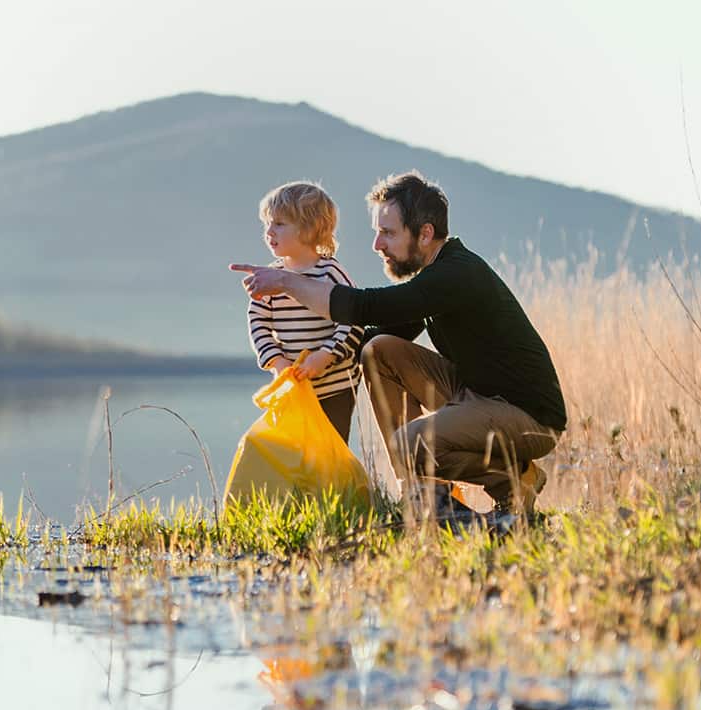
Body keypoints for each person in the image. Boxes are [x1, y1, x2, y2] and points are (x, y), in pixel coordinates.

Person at [231, 170, 566, 517]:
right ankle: (423, 496)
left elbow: (363, 307)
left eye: (388, 233)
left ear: (425, 234)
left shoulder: (455, 275)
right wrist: (325, 355)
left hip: (527, 418)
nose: (377, 245)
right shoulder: (434, 278)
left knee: (409, 444)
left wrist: (285, 281)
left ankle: (512, 481)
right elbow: (374, 333)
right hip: (479, 397)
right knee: (379, 352)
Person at [245, 181, 363, 442]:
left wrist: (325, 355)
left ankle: (335, 485)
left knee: (330, 449)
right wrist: (277, 362)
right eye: (268, 223)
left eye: (279, 224)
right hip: (294, 384)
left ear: (308, 228)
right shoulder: (271, 277)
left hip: (335, 386)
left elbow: (353, 322)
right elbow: (258, 321)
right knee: (295, 451)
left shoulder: (331, 273)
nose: (269, 231)